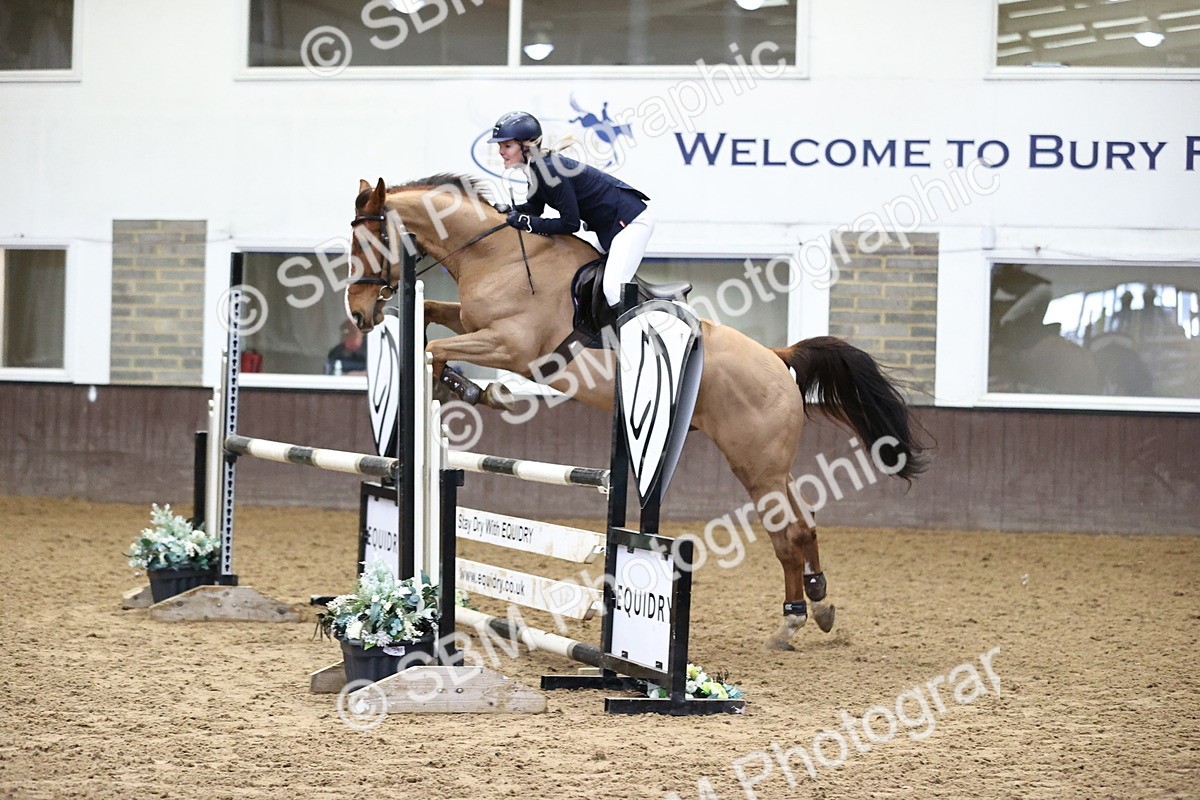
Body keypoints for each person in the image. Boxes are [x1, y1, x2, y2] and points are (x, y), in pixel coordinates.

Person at [489, 110, 653, 309]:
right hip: (609, 228)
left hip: (630, 222)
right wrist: (509, 212)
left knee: (612, 289)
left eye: (507, 146)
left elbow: (570, 223)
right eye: (500, 146)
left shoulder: (549, 168)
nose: (501, 151)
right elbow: (534, 208)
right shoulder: (535, 168)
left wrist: (526, 222)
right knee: (580, 272)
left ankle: (640, 328)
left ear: (526, 147)